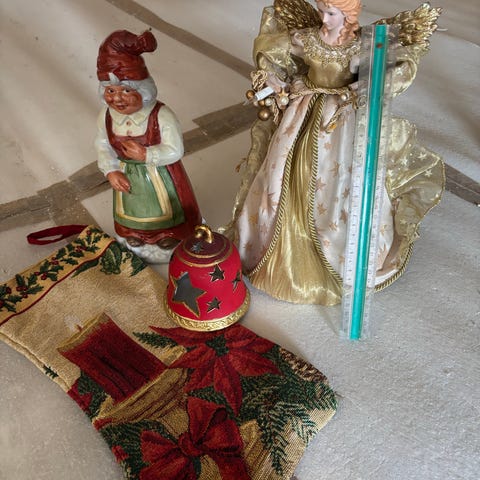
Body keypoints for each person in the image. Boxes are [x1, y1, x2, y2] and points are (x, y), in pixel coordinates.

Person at [222, 1, 444, 305]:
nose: (323, 18)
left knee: (339, 181)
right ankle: (270, 241)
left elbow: (396, 66)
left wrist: (368, 84)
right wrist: (272, 76)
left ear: (348, 15)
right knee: (282, 169)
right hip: (303, 110)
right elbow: (273, 50)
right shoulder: (308, 38)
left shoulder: (359, 45)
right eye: (322, 10)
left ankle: (335, 248)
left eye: (331, 13)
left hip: (340, 118)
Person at [95, 30, 202, 263]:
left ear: (143, 91)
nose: (117, 98)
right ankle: (135, 234)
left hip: (161, 175)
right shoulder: (106, 116)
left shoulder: (161, 115)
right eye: (111, 91)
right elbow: (102, 145)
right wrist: (110, 170)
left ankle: (168, 235)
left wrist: (147, 154)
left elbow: (175, 149)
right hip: (128, 175)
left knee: (167, 210)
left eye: (126, 91)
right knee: (133, 208)